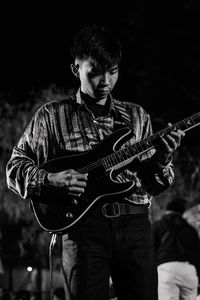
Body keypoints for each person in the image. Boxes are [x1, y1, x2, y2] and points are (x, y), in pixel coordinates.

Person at [6, 24, 185, 300]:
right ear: (75, 68)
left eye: (113, 72)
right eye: (96, 72)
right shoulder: (50, 117)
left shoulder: (137, 117)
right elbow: (14, 168)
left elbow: (156, 183)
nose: (106, 81)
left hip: (135, 225)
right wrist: (51, 179)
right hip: (81, 230)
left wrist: (162, 159)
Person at [152, 198, 200, 300]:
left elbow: (150, 251)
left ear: (167, 211)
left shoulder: (158, 225)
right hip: (189, 270)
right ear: (182, 213)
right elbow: (198, 255)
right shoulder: (191, 230)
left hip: (166, 269)